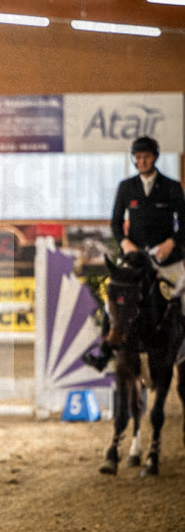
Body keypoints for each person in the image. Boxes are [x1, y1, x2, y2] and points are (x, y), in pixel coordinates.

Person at [84, 135, 185, 372]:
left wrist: (172, 241)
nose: (142, 161)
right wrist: (125, 242)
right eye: (138, 157)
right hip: (135, 256)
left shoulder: (171, 187)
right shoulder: (126, 187)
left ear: (155, 158)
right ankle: (104, 350)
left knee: (183, 296)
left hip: (165, 256)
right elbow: (116, 223)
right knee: (113, 298)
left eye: (146, 157)